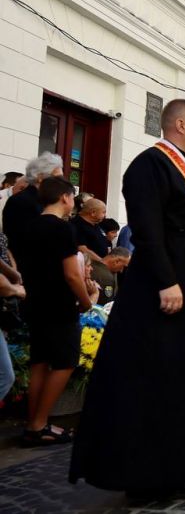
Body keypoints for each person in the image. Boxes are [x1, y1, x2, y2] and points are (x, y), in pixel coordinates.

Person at [70, 99, 185, 494]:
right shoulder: (151, 165)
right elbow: (148, 228)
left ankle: (184, 465)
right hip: (163, 294)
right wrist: (167, 281)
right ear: (180, 125)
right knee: (155, 380)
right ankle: (150, 473)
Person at [15, 177, 91, 445]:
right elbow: (72, 275)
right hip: (59, 304)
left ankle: (33, 422)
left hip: (35, 302)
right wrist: (86, 301)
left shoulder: (29, 226)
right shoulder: (62, 229)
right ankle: (38, 424)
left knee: (39, 362)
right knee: (64, 363)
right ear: (65, 198)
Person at [3, 153, 63, 261]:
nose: (61, 183)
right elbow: (26, 240)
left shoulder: (43, 200)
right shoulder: (22, 201)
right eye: (57, 178)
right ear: (40, 178)